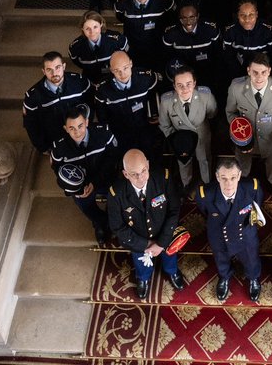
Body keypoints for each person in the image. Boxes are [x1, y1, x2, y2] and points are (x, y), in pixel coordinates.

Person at [107, 148, 185, 299]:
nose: (141, 177)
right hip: (138, 238)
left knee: (170, 256)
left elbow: (174, 210)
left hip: (164, 233)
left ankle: (172, 271)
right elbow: (118, 226)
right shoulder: (116, 193)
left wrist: (161, 243)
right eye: (134, 174)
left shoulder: (163, 178)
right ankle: (143, 278)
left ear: (148, 165)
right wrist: (146, 244)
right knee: (140, 262)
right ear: (125, 174)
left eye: (143, 171)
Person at [195, 157, 264, 302]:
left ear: (239, 176)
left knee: (251, 259)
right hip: (219, 234)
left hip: (244, 232)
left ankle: (253, 278)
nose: (229, 183)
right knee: (221, 259)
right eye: (224, 178)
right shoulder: (205, 194)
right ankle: (225, 276)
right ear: (217, 177)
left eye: (233, 177)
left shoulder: (252, 187)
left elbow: (257, 205)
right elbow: (204, 211)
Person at [50, 105, 119, 247]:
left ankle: (116, 221)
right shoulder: (59, 147)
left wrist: (96, 181)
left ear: (87, 122)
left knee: (118, 197)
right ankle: (100, 222)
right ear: (65, 128)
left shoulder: (103, 133)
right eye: (72, 128)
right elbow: (59, 169)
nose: (77, 132)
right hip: (83, 183)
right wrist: (75, 189)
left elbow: (113, 157)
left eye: (80, 126)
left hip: (106, 176)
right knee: (83, 202)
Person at [225, 53, 272, 184]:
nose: (259, 77)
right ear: (248, 70)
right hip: (244, 141)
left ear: (269, 71)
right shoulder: (236, 87)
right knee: (242, 173)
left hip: (271, 140)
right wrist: (241, 136)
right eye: (255, 72)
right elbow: (230, 112)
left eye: (263, 72)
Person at [22, 52, 92, 154]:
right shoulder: (33, 96)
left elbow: (91, 105)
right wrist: (43, 147)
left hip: (83, 135)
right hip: (57, 142)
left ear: (64, 66)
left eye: (57, 67)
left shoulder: (79, 82)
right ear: (43, 71)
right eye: (49, 70)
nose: (54, 73)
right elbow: (31, 126)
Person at [158, 66, 217, 186]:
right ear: (174, 86)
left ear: (194, 83)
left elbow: (212, 113)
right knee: (184, 163)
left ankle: (207, 185)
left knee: (204, 160)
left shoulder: (205, 96)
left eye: (189, 84)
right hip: (180, 138)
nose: (185, 89)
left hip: (201, 135)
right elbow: (164, 125)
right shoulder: (166, 102)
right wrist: (175, 140)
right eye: (180, 85)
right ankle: (187, 186)